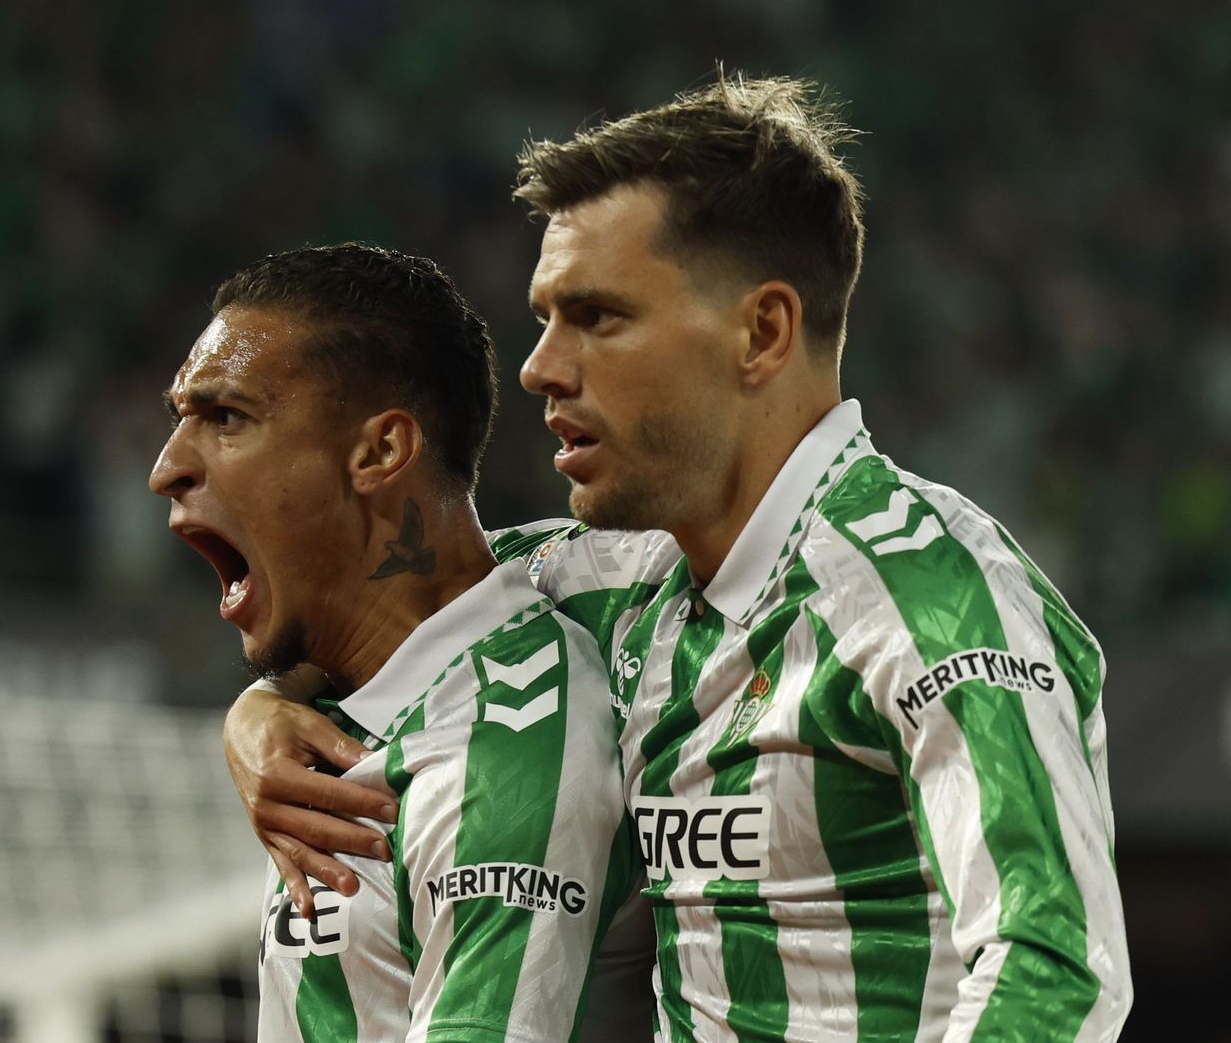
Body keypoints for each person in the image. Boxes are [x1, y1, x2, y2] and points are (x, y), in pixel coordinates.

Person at [223, 76, 1133, 1041]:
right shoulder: (608, 583)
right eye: (544, 317)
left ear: (762, 332)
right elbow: (403, 614)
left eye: (598, 316)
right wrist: (262, 714)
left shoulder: (929, 592)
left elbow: (1055, 966)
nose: (540, 366)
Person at [150, 243, 644, 1042]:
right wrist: (261, 703)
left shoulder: (498, 759)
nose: (167, 468)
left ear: (380, 452)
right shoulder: (365, 692)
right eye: (181, 420)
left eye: (227, 418)